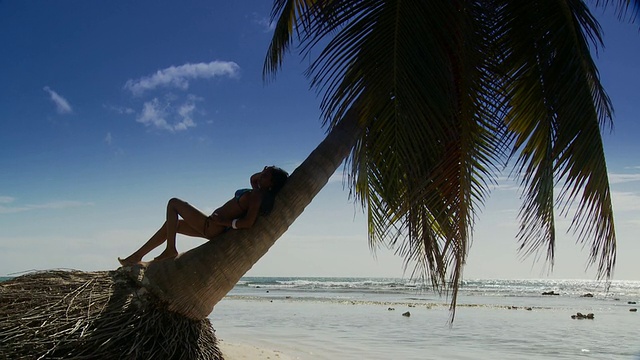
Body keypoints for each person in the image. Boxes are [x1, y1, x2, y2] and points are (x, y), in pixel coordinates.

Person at [118, 166, 289, 266]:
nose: (262, 175)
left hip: (213, 226)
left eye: (266, 176)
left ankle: (170, 249)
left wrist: (225, 221)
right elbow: (253, 178)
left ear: (272, 184)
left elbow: (248, 222)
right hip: (211, 225)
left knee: (174, 203)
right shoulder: (256, 191)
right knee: (172, 225)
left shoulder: (257, 197)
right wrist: (267, 171)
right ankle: (137, 257)